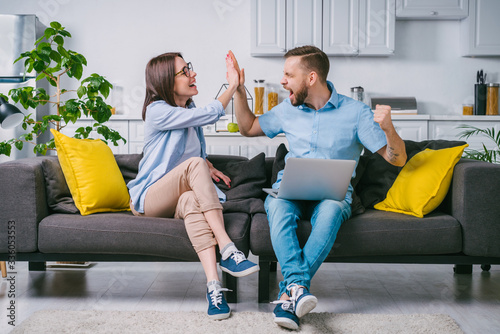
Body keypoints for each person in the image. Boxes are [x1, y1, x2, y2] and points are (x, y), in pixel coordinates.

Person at [232, 46, 407, 330]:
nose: (284, 81)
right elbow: (248, 127)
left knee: (331, 210)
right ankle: (297, 291)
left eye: (289, 75)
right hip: (290, 190)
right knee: (276, 205)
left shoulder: (356, 113)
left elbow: (395, 159)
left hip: (332, 195)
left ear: (311, 78)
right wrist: (239, 90)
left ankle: (291, 291)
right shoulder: (287, 109)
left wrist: (388, 128)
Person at [127, 52, 259, 320]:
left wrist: (207, 165)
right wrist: (233, 85)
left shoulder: (189, 112)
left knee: (192, 202)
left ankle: (213, 287)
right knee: (195, 165)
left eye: (190, 68)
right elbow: (209, 116)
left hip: (177, 198)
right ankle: (228, 247)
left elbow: (191, 152)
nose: (192, 74)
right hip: (150, 199)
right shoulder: (157, 111)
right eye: (184, 71)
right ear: (166, 80)